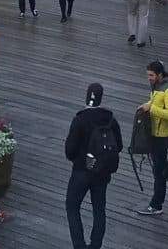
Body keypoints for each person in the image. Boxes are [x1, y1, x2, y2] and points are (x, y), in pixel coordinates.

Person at [64, 83, 122, 249]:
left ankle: (79, 245)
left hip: (81, 171)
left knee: (72, 206)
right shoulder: (110, 120)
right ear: (101, 98)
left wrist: (80, 158)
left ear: (86, 96)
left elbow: (70, 150)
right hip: (102, 172)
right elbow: (119, 145)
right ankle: (95, 245)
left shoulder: (80, 119)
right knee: (99, 209)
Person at [135, 61, 168, 216]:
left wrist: (151, 108)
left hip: (162, 135)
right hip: (154, 134)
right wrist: (147, 104)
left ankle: (156, 204)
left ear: (159, 75)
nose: (149, 78)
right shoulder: (157, 87)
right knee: (163, 165)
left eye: (151, 75)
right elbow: (154, 102)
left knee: (158, 171)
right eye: (148, 75)